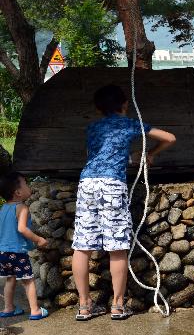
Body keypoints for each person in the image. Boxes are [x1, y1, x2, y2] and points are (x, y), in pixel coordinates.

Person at [72, 85, 176, 321]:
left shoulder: (92, 127)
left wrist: (130, 156)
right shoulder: (130, 124)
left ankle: (84, 306)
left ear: (98, 108)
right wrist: (152, 153)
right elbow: (170, 138)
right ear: (125, 104)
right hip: (112, 185)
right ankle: (118, 306)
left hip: (87, 183)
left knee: (82, 246)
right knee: (117, 246)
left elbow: (102, 153)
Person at [0, 172, 49, 320]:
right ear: (18, 192)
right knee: (28, 281)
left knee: (10, 279)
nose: (29, 186)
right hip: (17, 252)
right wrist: (38, 239)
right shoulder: (21, 207)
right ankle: (35, 310)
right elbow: (22, 228)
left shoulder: (3, 209)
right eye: (26, 183)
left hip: (2, 252)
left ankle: (8, 308)